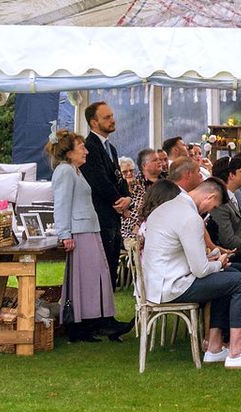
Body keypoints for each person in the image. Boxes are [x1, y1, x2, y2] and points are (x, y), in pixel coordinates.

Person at [141, 176, 241, 367]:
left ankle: (214, 346)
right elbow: (201, 270)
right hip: (172, 286)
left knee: (237, 272)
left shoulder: (168, 207)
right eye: (213, 207)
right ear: (210, 197)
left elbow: (180, 254)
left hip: (159, 281)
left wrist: (215, 262)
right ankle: (237, 352)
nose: (210, 212)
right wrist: (219, 264)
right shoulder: (190, 217)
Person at [48, 130, 122, 342]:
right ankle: (79, 325)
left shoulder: (75, 171)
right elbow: (61, 204)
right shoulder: (65, 171)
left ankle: (90, 322)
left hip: (89, 227)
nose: (86, 151)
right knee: (85, 277)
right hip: (79, 230)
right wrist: (65, 234)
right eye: (81, 147)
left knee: (93, 276)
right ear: (69, 152)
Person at [81, 100, 130, 290]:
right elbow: (99, 181)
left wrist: (128, 198)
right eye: (106, 117)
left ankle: (108, 314)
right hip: (100, 216)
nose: (112, 120)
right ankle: (100, 317)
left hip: (113, 217)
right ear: (94, 122)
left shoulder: (111, 148)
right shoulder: (90, 148)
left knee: (111, 266)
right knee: (102, 267)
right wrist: (119, 201)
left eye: (112, 116)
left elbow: (119, 178)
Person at [123, 145, 170, 248]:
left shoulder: (168, 180)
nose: (160, 162)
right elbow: (135, 209)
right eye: (155, 160)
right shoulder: (135, 185)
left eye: (159, 159)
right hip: (143, 225)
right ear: (144, 165)